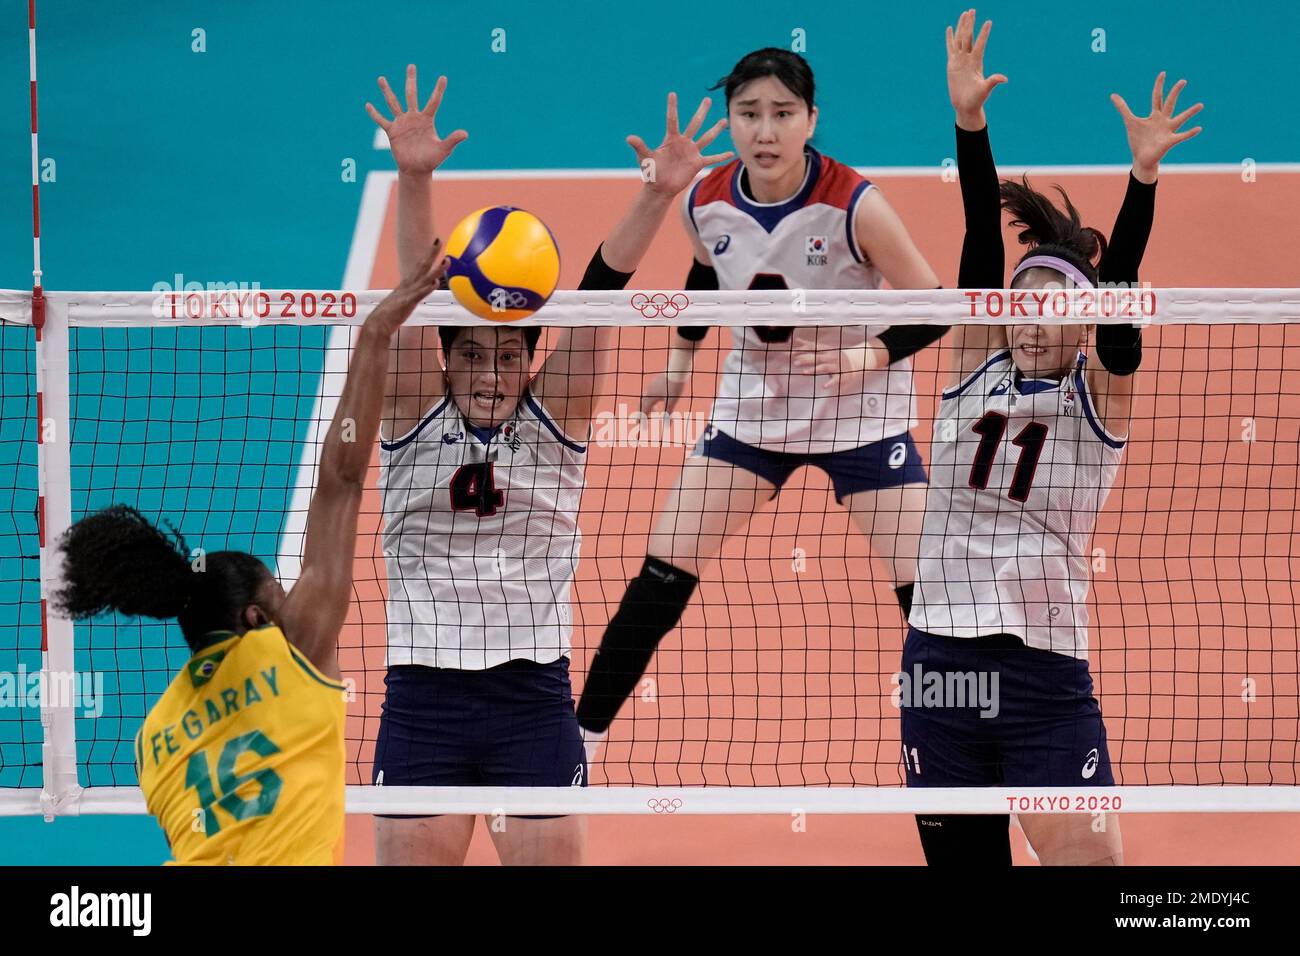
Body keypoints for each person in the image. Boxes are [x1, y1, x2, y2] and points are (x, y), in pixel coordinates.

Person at [365, 66, 733, 865]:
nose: (489, 374)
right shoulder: (408, 414)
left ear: (531, 364)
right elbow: (413, 293)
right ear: (444, 361)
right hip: (423, 700)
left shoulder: (555, 420)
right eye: (470, 356)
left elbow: (602, 291)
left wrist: (657, 195)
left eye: (506, 356)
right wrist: (415, 177)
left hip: (531, 701)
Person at [577, 47, 946, 746]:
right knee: (661, 570)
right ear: (730, 121)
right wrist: (683, 358)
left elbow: (935, 302)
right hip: (754, 416)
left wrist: (864, 354)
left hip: (861, 417)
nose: (765, 132)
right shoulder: (703, 199)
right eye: (749, 115)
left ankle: (969, 750)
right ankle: (581, 743)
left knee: (933, 600)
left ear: (812, 120)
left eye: (782, 114)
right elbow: (708, 267)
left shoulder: (855, 205)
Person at [905, 8, 1203, 866]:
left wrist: (1141, 181)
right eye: (1022, 300)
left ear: (1080, 322)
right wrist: (970, 124)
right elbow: (974, 235)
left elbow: (1120, 297)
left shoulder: (1099, 395)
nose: (1032, 319)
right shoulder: (969, 368)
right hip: (940, 669)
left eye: (1055, 306)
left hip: (1045, 677)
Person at [53, 247, 447, 864]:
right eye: (281, 596)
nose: (295, 601)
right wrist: (374, 335)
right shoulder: (294, 652)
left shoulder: (152, 737)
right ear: (258, 621)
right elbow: (340, 481)